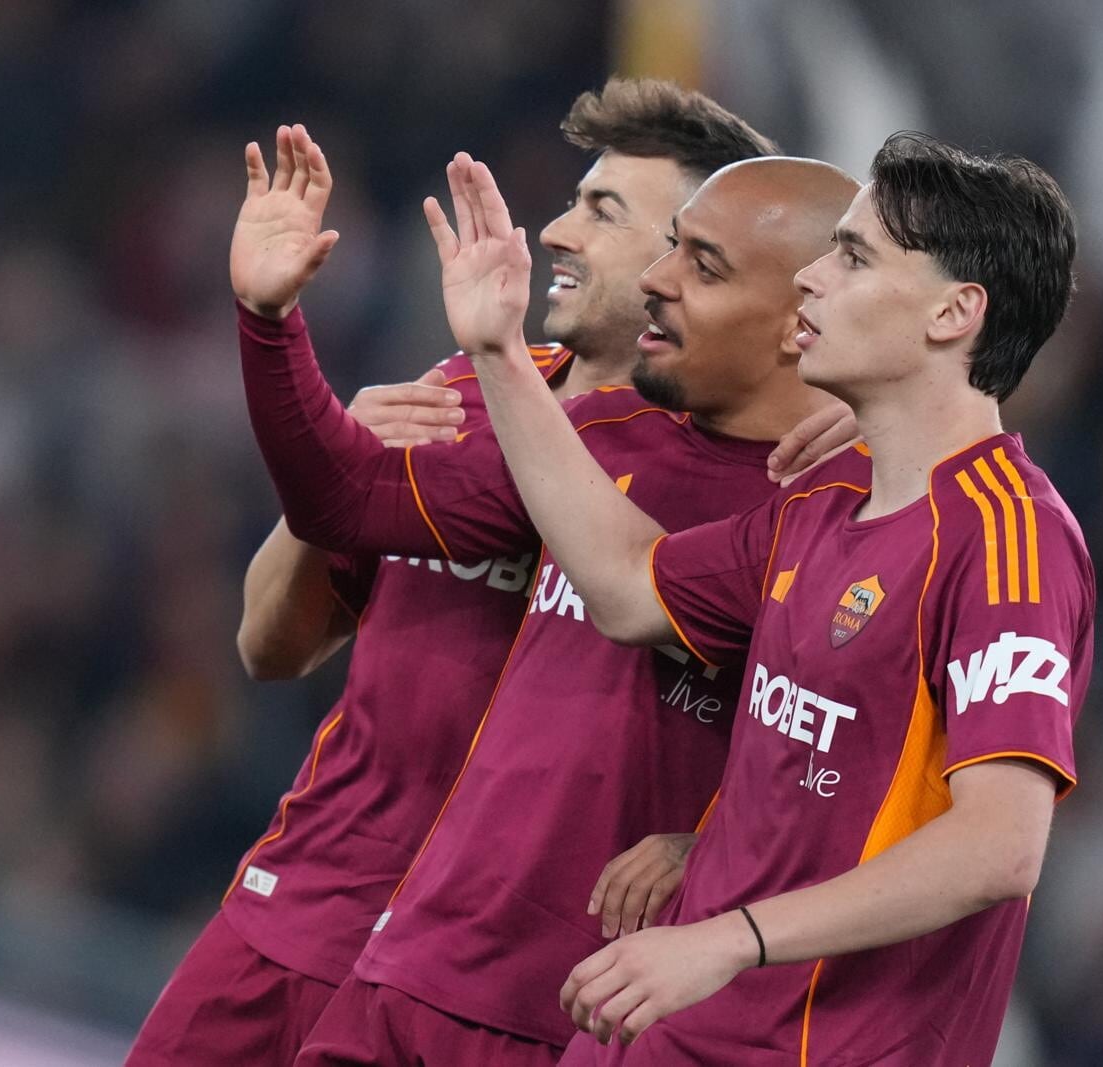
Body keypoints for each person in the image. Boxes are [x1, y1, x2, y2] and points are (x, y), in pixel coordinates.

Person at [125, 80, 783, 1066]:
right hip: (307, 915)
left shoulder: (730, 489)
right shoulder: (454, 399)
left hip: (503, 991)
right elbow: (269, 644)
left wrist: (710, 841)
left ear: (686, 257)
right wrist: (337, 474)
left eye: (604, 211)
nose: (556, 230)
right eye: (574, 199)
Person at [429, 132, 1092, 1065]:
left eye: (853, 256)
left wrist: (728, 939)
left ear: (954, 311)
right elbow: (626, 586)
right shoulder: (823, 497)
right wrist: (499, 354)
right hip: (661, 1028)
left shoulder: (1010, 540)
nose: (811, 277)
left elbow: (999, 846)